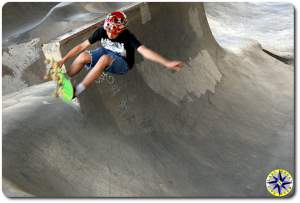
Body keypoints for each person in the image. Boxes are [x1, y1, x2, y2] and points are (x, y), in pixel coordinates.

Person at [58, 11, 183, 98]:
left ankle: (77, 91)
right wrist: (64, 59)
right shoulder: (102, 31)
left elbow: (145, 52)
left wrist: (166, 62)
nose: (109, 34)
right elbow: (81, 46)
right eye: (108, 31)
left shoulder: (127, 36)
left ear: (120, 30)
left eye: (113, 33)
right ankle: (64, 79)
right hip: (106, 53)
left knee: (104, 58)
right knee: (83, 56)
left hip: (123, 63)